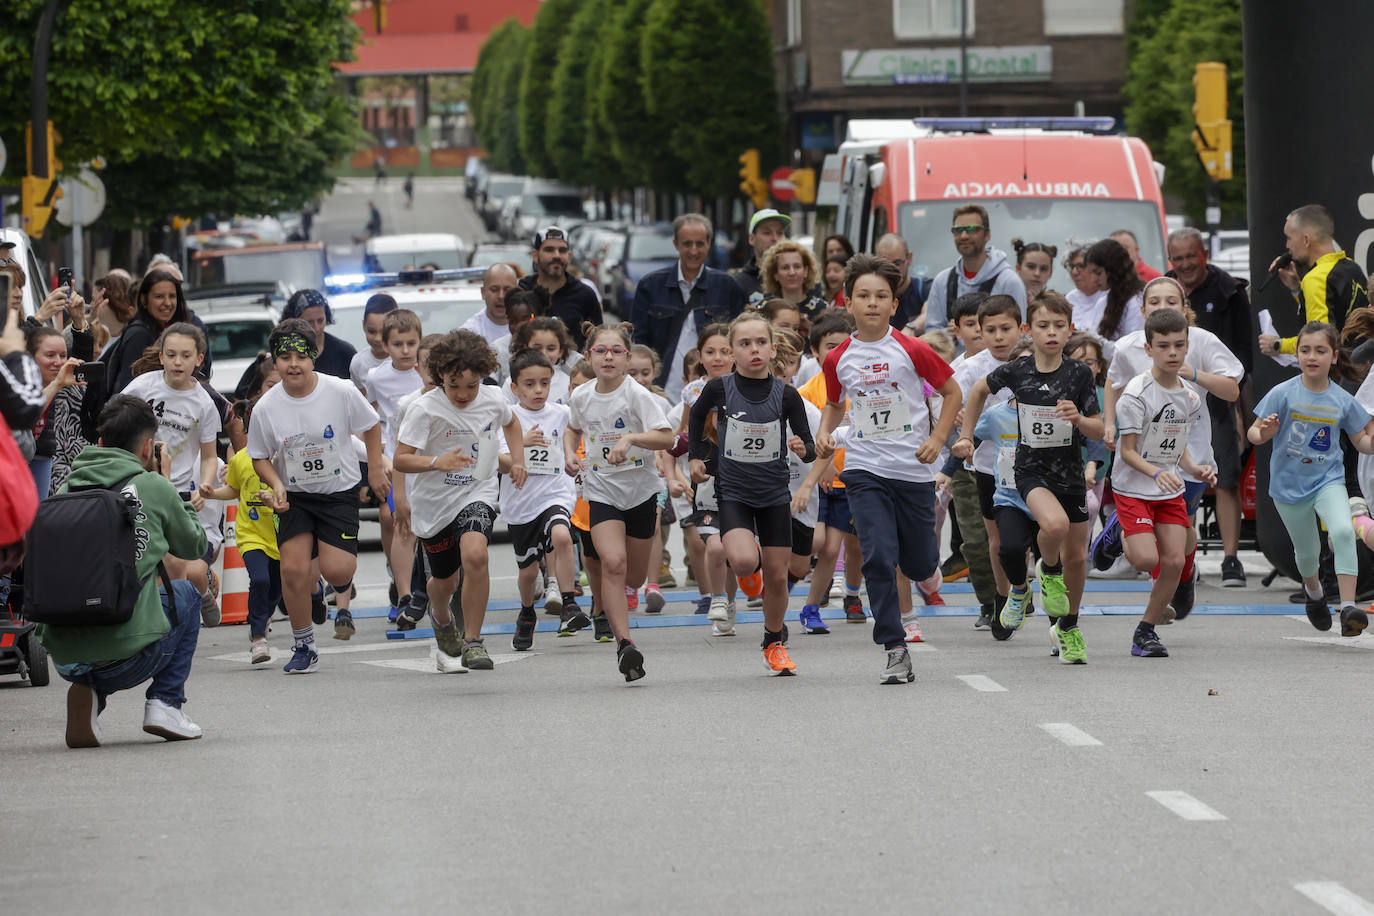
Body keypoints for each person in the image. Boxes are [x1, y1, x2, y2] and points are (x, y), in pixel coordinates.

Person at [815, 254, 961, 685]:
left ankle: (924, 572)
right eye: (864, 295)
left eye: (881, 296)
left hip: (912, 471)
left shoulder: (912, 349)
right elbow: (836, 404)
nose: (873, 303)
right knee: (878, 557)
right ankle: (895, 647)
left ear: (894, 305)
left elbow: (951, 393)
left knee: (918, 564)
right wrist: (826, 433)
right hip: (864, 469)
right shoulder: (839, 357)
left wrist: (937, 441)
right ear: (849, 302)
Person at [39, 395, 209, 748]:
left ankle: (91, 697)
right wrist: (170, 486)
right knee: (188, 594)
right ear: (148, 448)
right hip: (126, 655)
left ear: (99, 443)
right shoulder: (152, 486)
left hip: (66, 658)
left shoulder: (66, 488)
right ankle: (166, 703)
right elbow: (194, 547)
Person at [958, 290, 1104, 664]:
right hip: (1029, 471)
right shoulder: (1016, 370)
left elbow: (1099, 430)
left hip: (1068, 473)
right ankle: (1046, 571)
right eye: (1043, 325)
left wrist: (1079, 419)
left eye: (1059, 325)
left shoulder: (1079, 374)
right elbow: (976, 392)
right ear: (1029, 329)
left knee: (1076, 558)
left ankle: (1068, 628)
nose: (1051, 332)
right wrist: (964, 435)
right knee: (1052, 527)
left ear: (1070, 329)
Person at [1094, 277, 1242, 619]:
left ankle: (1179, 573)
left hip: (1190, 453)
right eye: (1155, 302)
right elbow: (1113, 384)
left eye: (1171, 302)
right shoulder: (1130, 346)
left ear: (1184, 307)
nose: (1163, 308)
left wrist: (1194, 372)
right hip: (1142, 459)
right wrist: (1109, 423)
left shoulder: (1200, 342)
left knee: (1183, 533)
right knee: (1161, 539)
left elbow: (1232, 391)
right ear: (1143, 310)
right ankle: (1161, 599)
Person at [248, 319, 388, 674]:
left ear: (314, 356)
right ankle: (304, 644)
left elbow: (371, 426)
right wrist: (276, 484)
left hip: (338, 491)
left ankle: (331, 583)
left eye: (301, 355)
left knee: (338, 570)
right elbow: (259, 456)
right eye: (285, 357)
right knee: (292, 570)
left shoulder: (339, 391)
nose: (293, 364)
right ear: (274, 361)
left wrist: (374, 468)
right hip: (294, 495)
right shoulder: (266, 407)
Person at [688, 313, 815, 675]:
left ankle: (773, 642)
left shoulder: (786, 394)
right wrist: (697, 457)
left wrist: (803, 448)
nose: (754, 350)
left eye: (761, 343)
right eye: (745, 344)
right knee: (743, 563)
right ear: (731, 352)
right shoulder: (718, 389)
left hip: (775, 494)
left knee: (779, 577)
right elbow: (696, 419)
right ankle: (750, 560)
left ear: (773, 349)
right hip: (735, 493)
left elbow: (808, 442)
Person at [394, 330, 525, 672]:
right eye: (454, 386)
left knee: (476, 555)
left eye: (471, 385)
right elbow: (401, 460)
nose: (464, 394)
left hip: (476, 490)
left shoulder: (494, 399)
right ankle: (440, 616)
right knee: (445, 583)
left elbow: (512, 424)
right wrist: (437, 462)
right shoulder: (424, 409)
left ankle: (473, 641)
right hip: (434, 503)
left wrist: (519, 460)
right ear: (439, 378)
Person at [564, 322, 673, 681]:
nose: (608, 357)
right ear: (588, 356)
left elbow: (666, 438)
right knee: (612, 562)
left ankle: (627, 604)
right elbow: (573, 428)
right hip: (601, 489)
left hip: (640, 491)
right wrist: (568, 453)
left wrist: (630, 440)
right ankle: (625, 644)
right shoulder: (581, 396)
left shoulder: (637, 395)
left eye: (616, 351)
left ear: (628, 358)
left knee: (636, 575)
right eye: (600, 351)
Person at [1250, 322, 1374, 636]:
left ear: (1334, 357)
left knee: (1344, 531)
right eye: (1305, 350)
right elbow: (1253, 433)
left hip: (1327, 481)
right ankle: (1315, 593)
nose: (1311, 356)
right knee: (1307, 555)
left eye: (1320, 350)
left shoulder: (1342, 400)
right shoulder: (1283, 392)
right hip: (1288, 487)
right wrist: (1263, 432)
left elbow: (1362, 442)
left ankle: (1348, 608)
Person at [1109, 308, 1214, 658]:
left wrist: (1195, 469)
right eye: (1164, 346)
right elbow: (1127, 452)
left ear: (1187, 348)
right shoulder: (1136, 394)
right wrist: (1156, 472)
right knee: (1144, 559)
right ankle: (1118, 530)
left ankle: (1146, 631)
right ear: (1148, 348)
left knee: (1173, 561)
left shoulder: (1190, 397)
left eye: (1179, 346)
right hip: (1134, 486)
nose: (1172, 353)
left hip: (1169, 488)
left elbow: (1176, 444)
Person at [1165, 226, 1253, 585]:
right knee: (1167, 480)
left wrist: (1239, 407)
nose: (1185, 264)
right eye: (1178, 257)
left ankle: (1231, 558)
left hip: (1214, 398)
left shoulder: (1229, 290)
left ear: (1204, 254)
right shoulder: (1163, 289)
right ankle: (1181, 560)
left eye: (1191, 256)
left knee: (1226, 476)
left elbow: (1243, 355)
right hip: (1167, 401)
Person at [120, 323, 222, 619]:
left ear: (198, 360)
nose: (178, 362)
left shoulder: (204, 403)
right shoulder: (142, 387)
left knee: (184, 569)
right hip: (139, 485)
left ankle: (201, 593)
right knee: (154, 559)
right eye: (172, 354)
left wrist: (205, 484)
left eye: (186, 356)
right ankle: (161, 621)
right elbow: (115, 421)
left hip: (178, 492)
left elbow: (209, 456)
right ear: (161, 356)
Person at [199, 365, 282, 663]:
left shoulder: (286, 456)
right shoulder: (243, 459)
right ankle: (259, 637)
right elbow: (233, 490)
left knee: (276, 589)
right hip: (251, 535)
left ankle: (264, 616)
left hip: (283, 536)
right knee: (259, 581)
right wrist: (211, 493)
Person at [950, 294, 1022, 632]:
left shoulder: (1035, 361)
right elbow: (952, 405)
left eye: (1005, 328)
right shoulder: (970, 369)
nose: (998, 337)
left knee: (1027, 538)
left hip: (1032, 464)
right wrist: (961, 423)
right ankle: (1001, 600)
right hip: (987, 465)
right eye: (990, 330)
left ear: (1021, 329)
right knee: (994, 540)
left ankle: (1022, 588)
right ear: (980, 331)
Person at [501, 349, 580, 649]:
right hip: (521, 502)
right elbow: (496, 460)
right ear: (514, 387)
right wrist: (521, 444)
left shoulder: (561, 414)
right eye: (530, 384)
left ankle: (570, 603)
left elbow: (573, 441)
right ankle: (527, 612)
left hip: (555, 493)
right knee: (528, 571)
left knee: (562, 535)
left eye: (544, 383)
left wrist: (571, 457)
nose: (538, 390)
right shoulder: (508, 418)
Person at [630, 213, 747, 395]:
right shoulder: (650, 285)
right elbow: (639, 340)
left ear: (709, 243)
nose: (693, 251)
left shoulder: (726, 286)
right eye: (687, 244)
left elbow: (739, 340)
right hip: (661, 390)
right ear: (675, 244)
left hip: (715, 389)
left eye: (699, 244)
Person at [365, 309, 424, 625]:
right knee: (396, 520)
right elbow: (369, 416)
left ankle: (429, 586)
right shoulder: (376, 377)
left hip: (426, 458)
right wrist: (379, 455)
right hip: (395, 460)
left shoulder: (428, 371)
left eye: (411, 343)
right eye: (398, 344)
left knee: (423, 524)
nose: (405, 350)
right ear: (385, 345)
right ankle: (403, 593)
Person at [1259, 204, 1370, 358]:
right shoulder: (1352, 267)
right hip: (1362, 367)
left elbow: (1318, 342)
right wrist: (1297, 289)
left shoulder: (1316, 279)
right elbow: (1338, 311)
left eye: (1289, 238)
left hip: (1339, 374)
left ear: (1306, 240)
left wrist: (1277, 344)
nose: (1287, 245)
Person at [922, 205, 1027, 334]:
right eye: (958, 230)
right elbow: (932, 333)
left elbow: (1020, 337)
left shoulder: (1009, 282)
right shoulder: (942, 281)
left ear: (987, 234)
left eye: (972, 229)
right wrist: (952, 332)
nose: (964, 236)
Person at [108, 270, 210, 393]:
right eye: (159, 296)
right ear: (144, 300)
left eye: (172, 296)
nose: (167, 303)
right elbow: (128, 389)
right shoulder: (138, 334)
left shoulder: (178, 328)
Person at [517, 227, 602, 352]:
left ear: (569, 256)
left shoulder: (585, 295)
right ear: (535, 255)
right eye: (549, 250)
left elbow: (598, 341)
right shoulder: (522, 290)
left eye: (562, 250)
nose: (556, 255)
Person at [732, 209, 791, 301]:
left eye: (780, 233)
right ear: (752, 239)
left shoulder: (798, 278)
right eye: (767, 233)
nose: (775, 238)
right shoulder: (738, 283)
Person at [760, 240, 827, 319]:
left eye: (797, 266)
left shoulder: (822, 309)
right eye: (785, 267)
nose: (792, 273)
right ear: (775, 274)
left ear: (806, 271)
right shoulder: (765, 308)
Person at [348, 293, 397, 394]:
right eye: (372, 331)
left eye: (384, 332)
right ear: (364, 325)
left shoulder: (410, 357)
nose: (378, 338)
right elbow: (361, 402)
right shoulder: (358, 363)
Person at [463, 264, 516, 344]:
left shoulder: (528, 328)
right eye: (494, 290)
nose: (501, 296)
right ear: (483, 292)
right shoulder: (469, 334)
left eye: (507, 290)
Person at [1064, 243, 1107, 331]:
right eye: (1072, 267)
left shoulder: (1111, 297)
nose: (1074, 272)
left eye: (1081, 266)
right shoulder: (1069, 299)